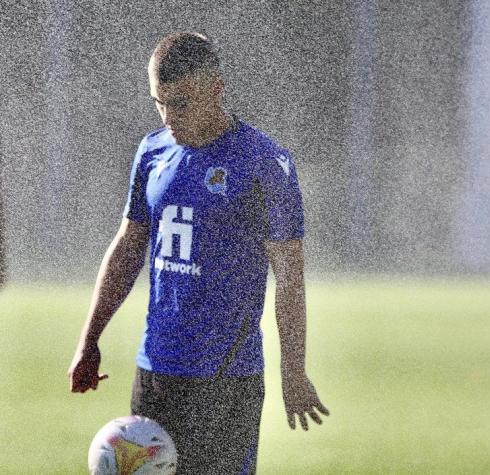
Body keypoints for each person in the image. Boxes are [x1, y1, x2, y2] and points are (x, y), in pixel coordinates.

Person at [68, 32, 328, 474]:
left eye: (182, 102)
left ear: (216, 87)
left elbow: (289, 276)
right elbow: (129, 246)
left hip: (226, 381)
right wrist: (89, 339)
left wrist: (293, 370)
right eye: (159, 102)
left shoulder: (263, 163)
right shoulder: (152, 153)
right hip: (155, 373)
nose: (169, 116)